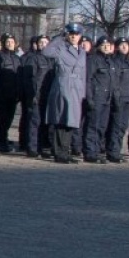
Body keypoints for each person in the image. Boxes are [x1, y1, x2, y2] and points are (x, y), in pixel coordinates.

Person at [43, 23, 87, 164]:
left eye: (76, 34)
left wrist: (83, 93)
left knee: (71, 123)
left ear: (80, 36)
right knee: (61, 121)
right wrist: (59, 38)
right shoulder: (61, 49)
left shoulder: (82, 51)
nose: (74, 37)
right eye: (71, 34)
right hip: (63, 87)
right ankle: (58, 152)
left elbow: (83, 73)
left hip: (76, 89)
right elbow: (46, 52)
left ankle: (65, 151)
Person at [82, 37, 116, 163]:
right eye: (104, 45)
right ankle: (90, 152)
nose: (106, 47)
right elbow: (88, 80)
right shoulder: (93, 60)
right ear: (99, 47)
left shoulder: (110, 62)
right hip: (96, 98)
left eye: (108, 44)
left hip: (107, 100)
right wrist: (89, 97)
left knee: (102, 127)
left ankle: (96, 151)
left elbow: (113, 82)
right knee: (93, 126)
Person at [105, 39, 129, 164]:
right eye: (121, 45)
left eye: (126, 45)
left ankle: (116, 150)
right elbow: (114, 83)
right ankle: (113, 152)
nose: (124, 47)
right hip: (119, 99)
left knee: (123, 127)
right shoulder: (115, 62)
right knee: (116, 127)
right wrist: (116, 98)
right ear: (117, 47)